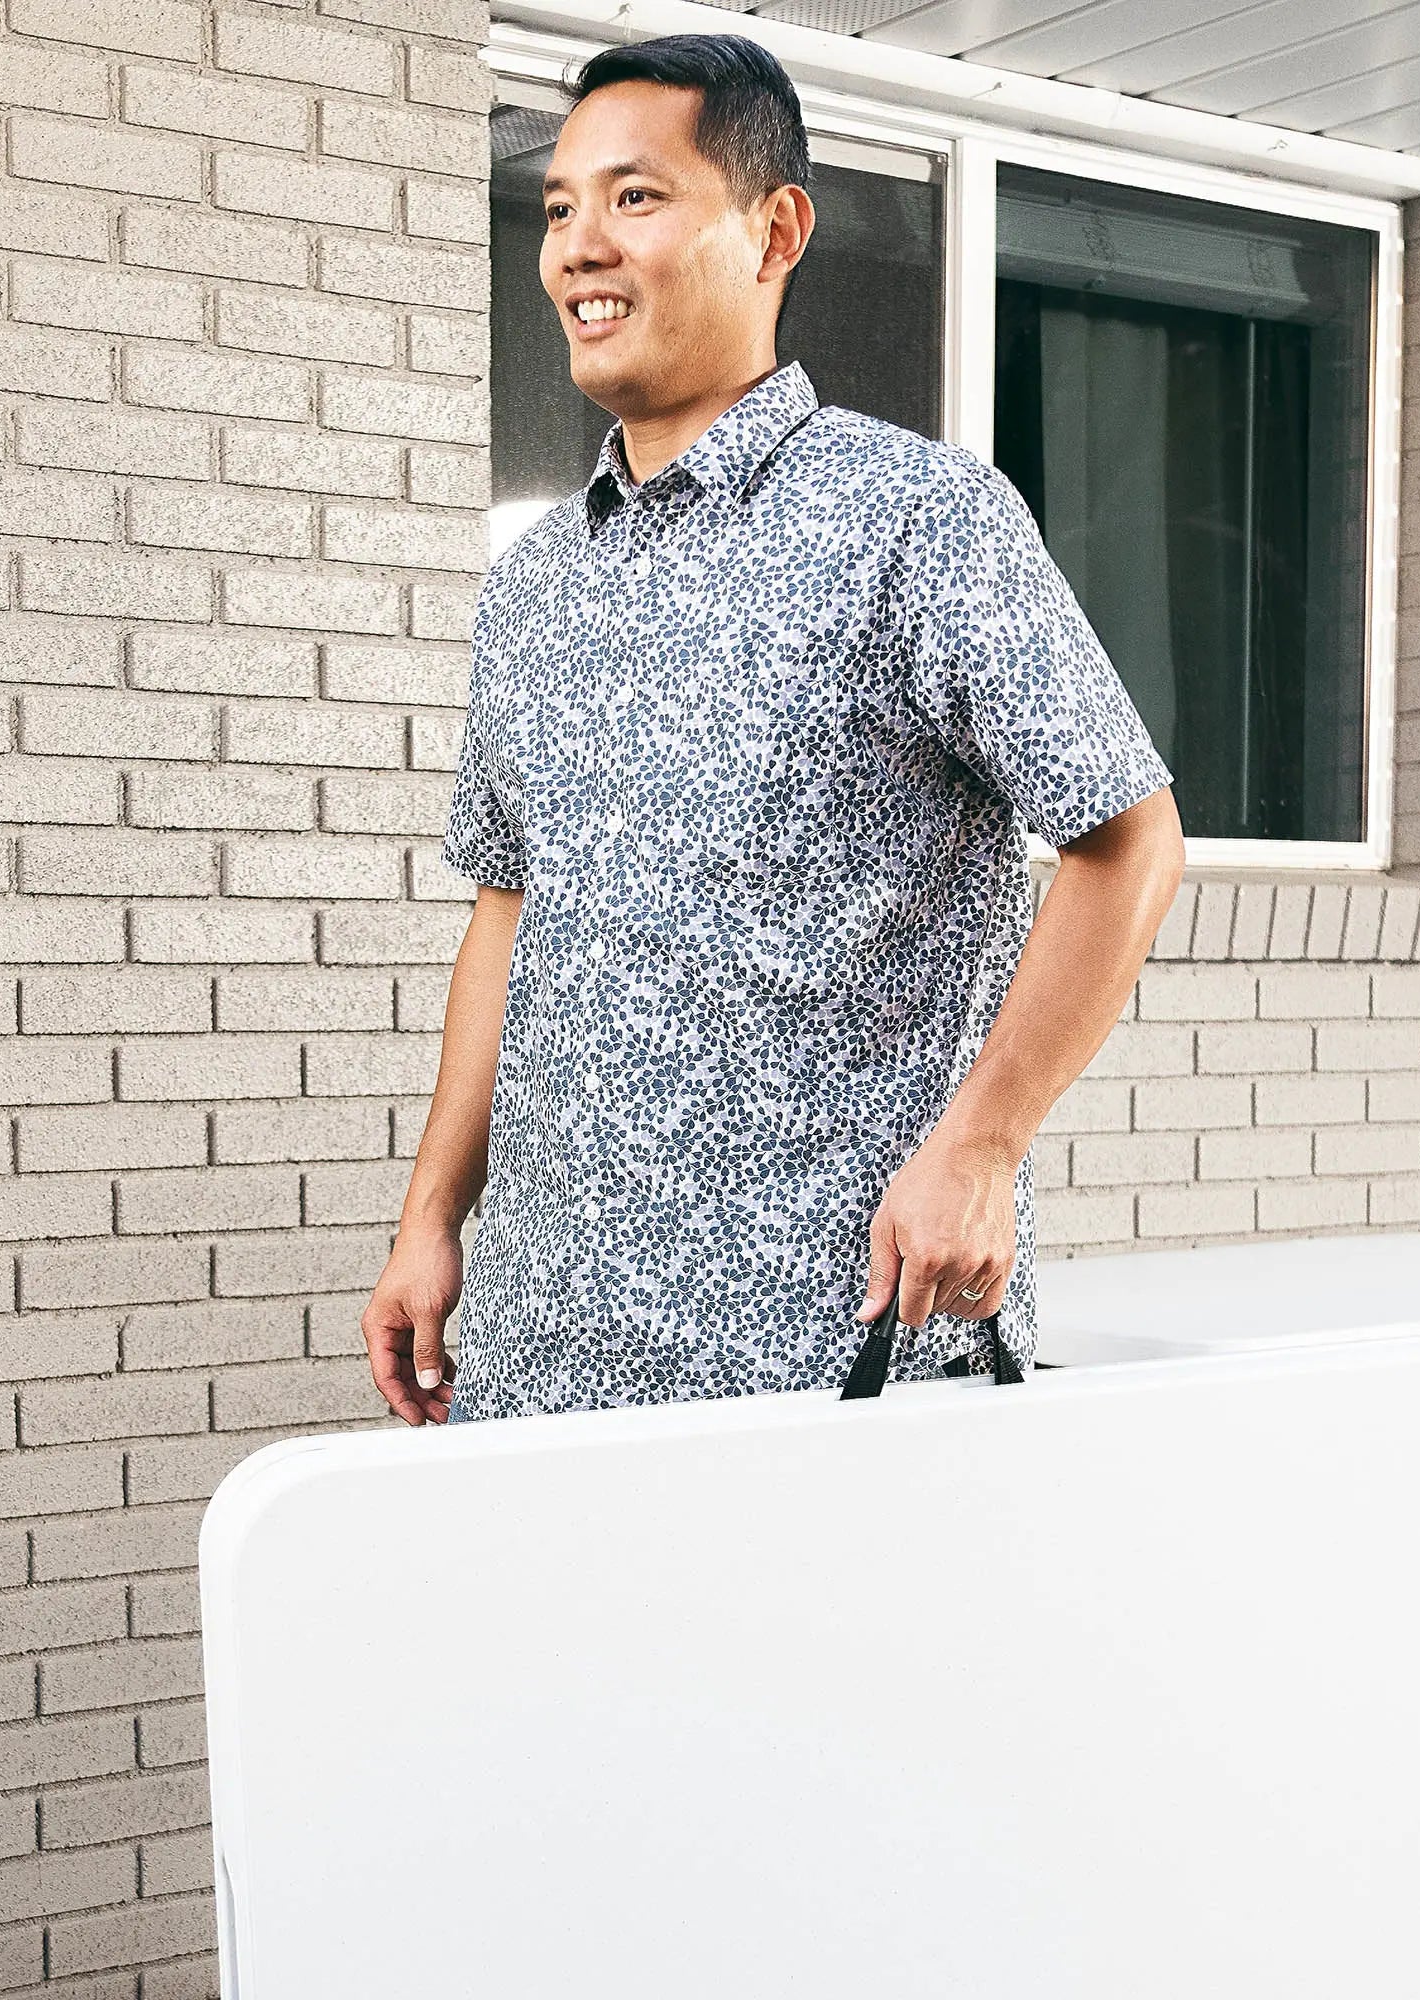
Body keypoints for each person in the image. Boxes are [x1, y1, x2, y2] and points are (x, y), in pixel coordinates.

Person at [361, 31, 1185, 1426]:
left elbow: (1128, 838)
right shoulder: (533, 586)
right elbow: (511, 912)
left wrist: (983, 1147)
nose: (576, 247)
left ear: (775, 229)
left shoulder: (919, 521)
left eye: (634, 198)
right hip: (545, 1346)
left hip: (830, 1354)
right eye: (558, 207)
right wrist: (432, 1216)